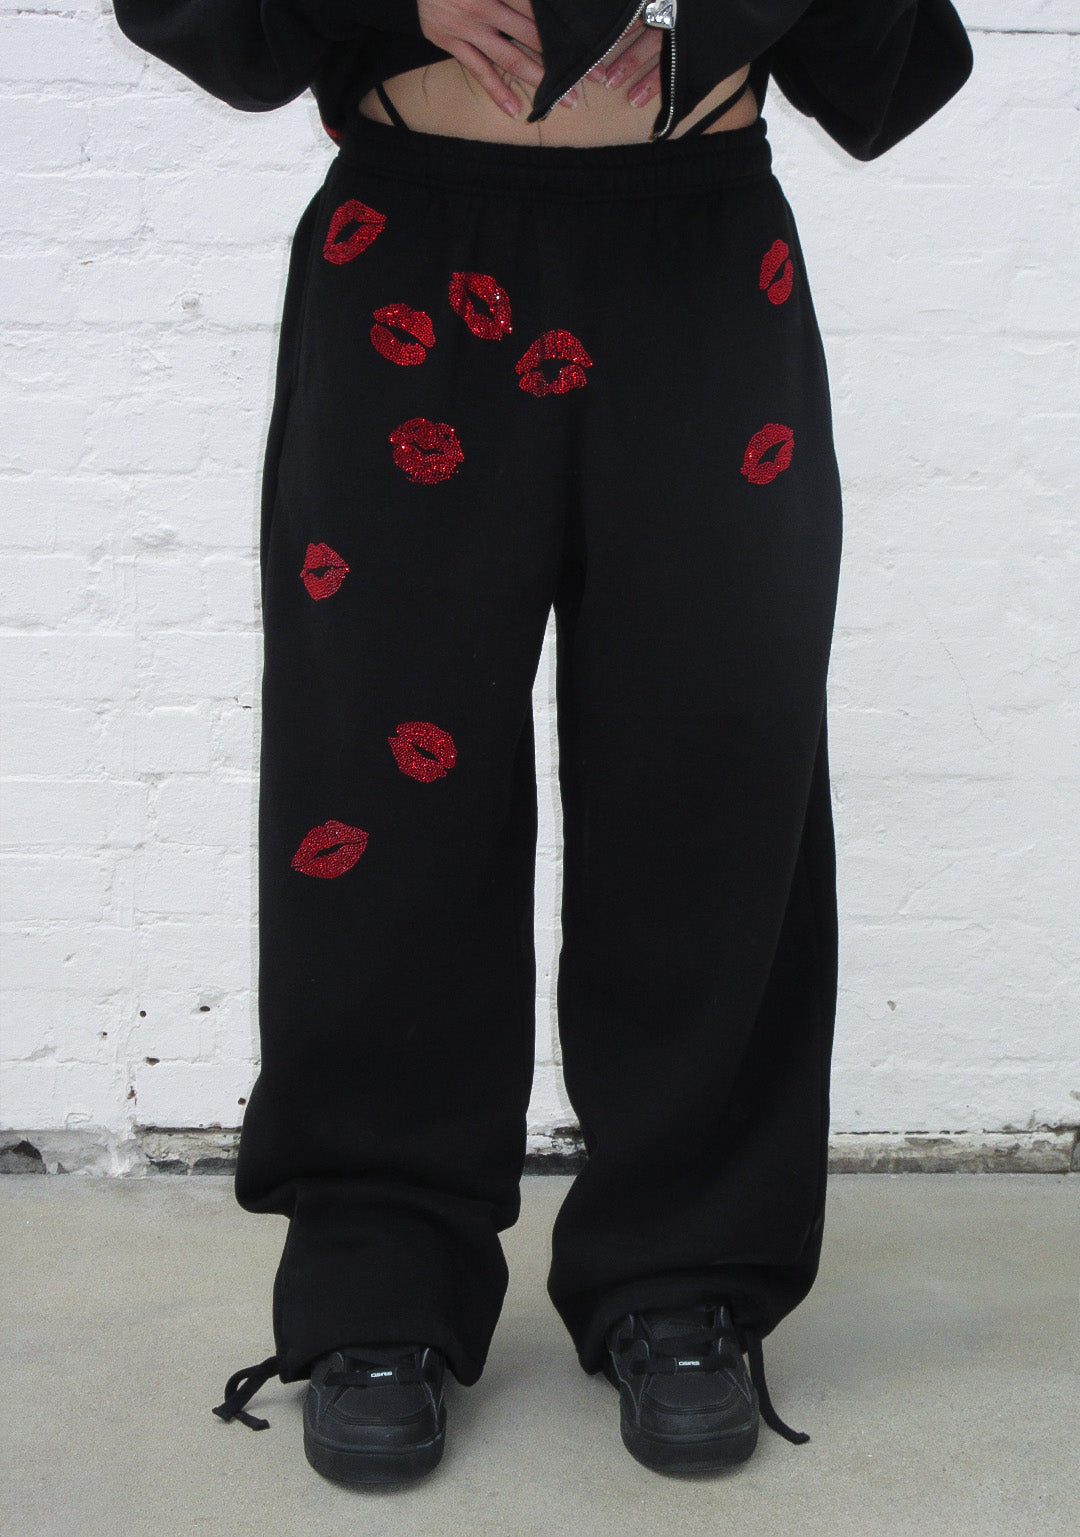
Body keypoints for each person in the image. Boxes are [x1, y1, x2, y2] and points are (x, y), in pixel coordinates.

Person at [112, 0, 974, 1487]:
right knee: (377, 786)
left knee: (714, 768)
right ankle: (380, 1274)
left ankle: (686, 1271)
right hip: (413, 243)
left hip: (704, 258)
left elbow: (895, 72)